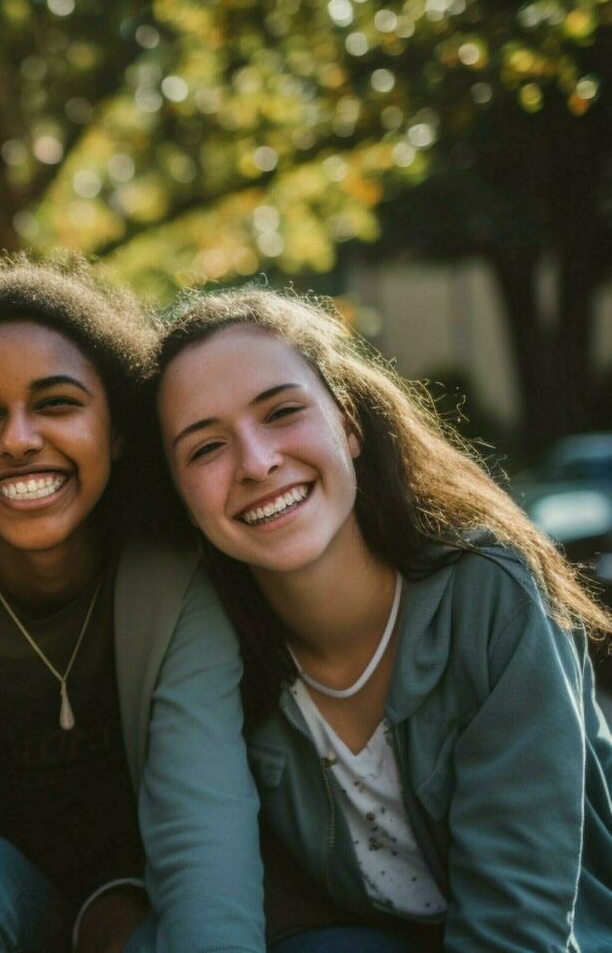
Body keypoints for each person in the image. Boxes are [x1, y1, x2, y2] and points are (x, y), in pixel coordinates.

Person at [153, 287, 612, 951]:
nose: (256, 463)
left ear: (347, 425)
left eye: (281, 412)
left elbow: (521, 924)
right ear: (177, 495)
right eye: (203, 448)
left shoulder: (489, 589)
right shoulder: (209, 647)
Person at [0, 254, 262, 953]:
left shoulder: (176, 580)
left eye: (57, 403)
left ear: (120, 427)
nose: (18, 439)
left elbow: (205, 838)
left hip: (150, 916)